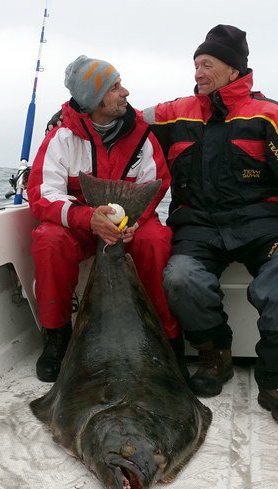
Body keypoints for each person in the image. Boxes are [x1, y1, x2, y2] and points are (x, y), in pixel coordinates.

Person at [140, 25, 278, 424]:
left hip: (261, 223)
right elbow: (123, 120)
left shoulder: (269, 114)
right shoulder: (174, 113)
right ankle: (215, 355)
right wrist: (76, 112)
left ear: (233, 70)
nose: (198, 71)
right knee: (180, 276)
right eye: (196, 64)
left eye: (207, 64)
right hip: (197, 226)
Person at [27, 55, 183, 383]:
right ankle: (56, 338)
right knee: (48, 239)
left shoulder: (142, 135)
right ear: (94, 99)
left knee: (155, 241)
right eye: (114, 88)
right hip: (82, 226)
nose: (125, 92)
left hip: (132, 224)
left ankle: (166, 340)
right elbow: (42, 194)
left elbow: (155, 183)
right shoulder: (60, 138)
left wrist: (133, 223)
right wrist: (88, 218)